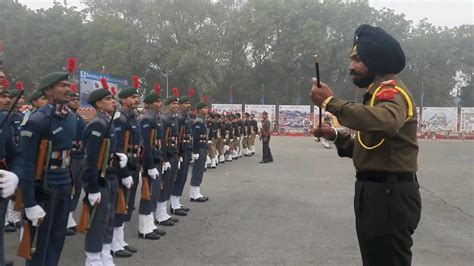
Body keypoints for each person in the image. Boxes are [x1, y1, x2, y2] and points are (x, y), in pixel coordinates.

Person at [311, 24, 421, 266]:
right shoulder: (374, 94)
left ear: (376, 60)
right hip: (376, 193)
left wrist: (330, 102)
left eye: (358, 59)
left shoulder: (391, 92)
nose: (351, 66)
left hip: (389, 197)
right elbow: (370, 149)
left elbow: (387, 122)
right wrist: (334, 135)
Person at [19, 71, 77, 266]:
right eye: (62, 85)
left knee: (57, 237)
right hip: (44, 188)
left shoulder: (71, 118)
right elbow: (26, 164)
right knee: (39, 243)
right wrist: (29, 202)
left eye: (68, 85)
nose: (68, 89)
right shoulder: (37, 120)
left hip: (64, 184)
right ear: (48, 91)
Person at [82, 86, 130, 265]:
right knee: (97, 220)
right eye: (109, 99)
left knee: (109, 218)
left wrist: (119, 160)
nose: (113, 101)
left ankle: (105, 255)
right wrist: (92, 188)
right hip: (99, 179)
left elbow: (109, 151)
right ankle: (93, 259)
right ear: (99, 104)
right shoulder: (97, 124)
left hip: (109, 175)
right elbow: (91, 160)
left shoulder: (106, 122)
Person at [111, 87, 141, 257]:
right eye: (132, 97)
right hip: (124, 165)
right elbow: (118, 146)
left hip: (133, 163)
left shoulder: (133, 116)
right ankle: (114, 244)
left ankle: (120, 240)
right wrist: (123, 172)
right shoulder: (120, 117)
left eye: (137, 96)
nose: (136, 100)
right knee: (120, 205)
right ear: (123, 100)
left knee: (127, 204)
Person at [138, 91, 167, 239]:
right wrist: (149, 166)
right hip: (150, 160)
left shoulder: (157, 118)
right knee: (147, 194)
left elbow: (159, 142)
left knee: (154, 192)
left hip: (157, 158)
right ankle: (144, 228)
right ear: (148, 104)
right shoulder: (147, 119)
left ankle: (150, 223)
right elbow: (146, 145)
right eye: (156, 102)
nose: (159, 104)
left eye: (160, 101)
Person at [0, 76, 22, 266]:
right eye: (2, 96)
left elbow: (14, 153)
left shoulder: (3, 119)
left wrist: (14, 173)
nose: (7, 101)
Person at [155, 94, 180, 226]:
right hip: (166, 154)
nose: (175, 106)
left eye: (177, 104)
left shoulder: (174, 119)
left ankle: (164, 212)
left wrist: (177, 154)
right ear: (167, 105)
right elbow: (162, 140)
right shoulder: (164, 118)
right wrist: (164, 159)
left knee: (170, 182)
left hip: (173, 152)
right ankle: (159, 214)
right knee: (163, 184)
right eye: (173, 104)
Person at [66, 90, 86, 236]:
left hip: (80, 154)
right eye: (73, 99)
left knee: (78, 186)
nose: (76, 102)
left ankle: (70, 213)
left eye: (77, 100)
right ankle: (66, 217)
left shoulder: (79, 117)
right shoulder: (66, 117)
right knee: (69, 186)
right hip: (69, 156)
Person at [170, 95, 193, 216]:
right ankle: (173, 204)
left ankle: (177, 201)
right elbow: (176, 136)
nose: (187, 106)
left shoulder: (187, 116)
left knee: (183, 176)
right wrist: (178, 152)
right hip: (181, 149)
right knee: (178, 177)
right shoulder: (179, 117)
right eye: (185, 104)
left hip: (187, 147)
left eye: (188, 104)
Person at [189, 102, 210, 202]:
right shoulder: (198, 121)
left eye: (207, 108)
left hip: (203, 146)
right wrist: (195, 151)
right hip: (199, 148)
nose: (207, 109)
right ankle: (194, 193)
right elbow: (195, 137)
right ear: (200, 109)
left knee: (200, 169)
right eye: (205, 108)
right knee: (198, 170)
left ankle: (196, 192)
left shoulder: (203, 119)